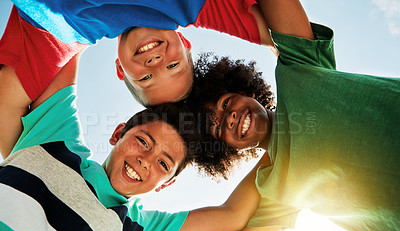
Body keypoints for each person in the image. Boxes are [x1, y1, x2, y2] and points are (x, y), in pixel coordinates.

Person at [0, 41, 265, 231]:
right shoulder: (56, 141)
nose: (145, 161)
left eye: (163, 163)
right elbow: (59, 37)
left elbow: (234, 216)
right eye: (143, 142)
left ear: (167, 183)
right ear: (118, 133)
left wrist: (282, 142)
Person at [178, 0, 400, 231]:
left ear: (246, 92)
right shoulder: (277, 187)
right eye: (217, 128)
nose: (229, 118)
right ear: (229, 150)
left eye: (226, 104)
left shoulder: (298, 70)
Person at [0, 0, 275, 158]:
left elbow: (6, 115)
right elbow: (290, 38)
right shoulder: (189, 6)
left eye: (146, 78)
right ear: (184, 41)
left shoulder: (61, 34)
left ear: (120, 69)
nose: (156, 63)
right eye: (174, 65)